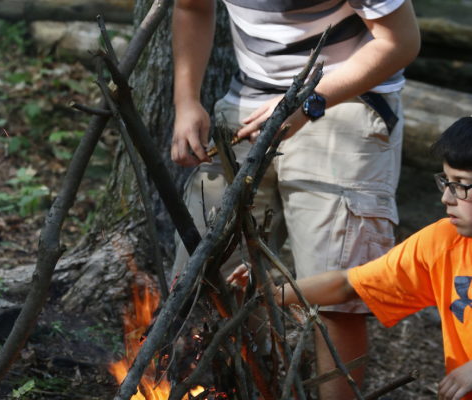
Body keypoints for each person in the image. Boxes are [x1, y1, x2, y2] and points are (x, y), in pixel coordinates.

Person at [171, 0, 420, 398]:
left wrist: (307, 103)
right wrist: (186, 101)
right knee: (211, 274)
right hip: (247, 101)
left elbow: (400, 41)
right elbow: (191, 7)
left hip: (348, 98)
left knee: (335, 293)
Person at [228, 116, 472, 400]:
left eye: (462, 185)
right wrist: (274, 294)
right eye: (446, 182)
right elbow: (349, 284)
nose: (446, 198)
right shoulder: (443, 242)